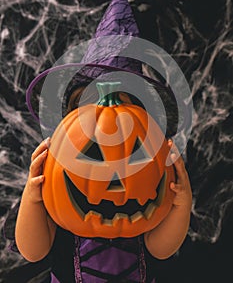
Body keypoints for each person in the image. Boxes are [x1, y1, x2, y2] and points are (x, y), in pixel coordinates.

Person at [14, 85, 192, 282]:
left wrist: (181, 204)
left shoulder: (140, 212)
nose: (116, 183)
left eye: (135, 154)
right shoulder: (59, 196)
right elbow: (33, 252)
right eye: (94, 155)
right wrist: (32, 197)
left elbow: (161, 250)